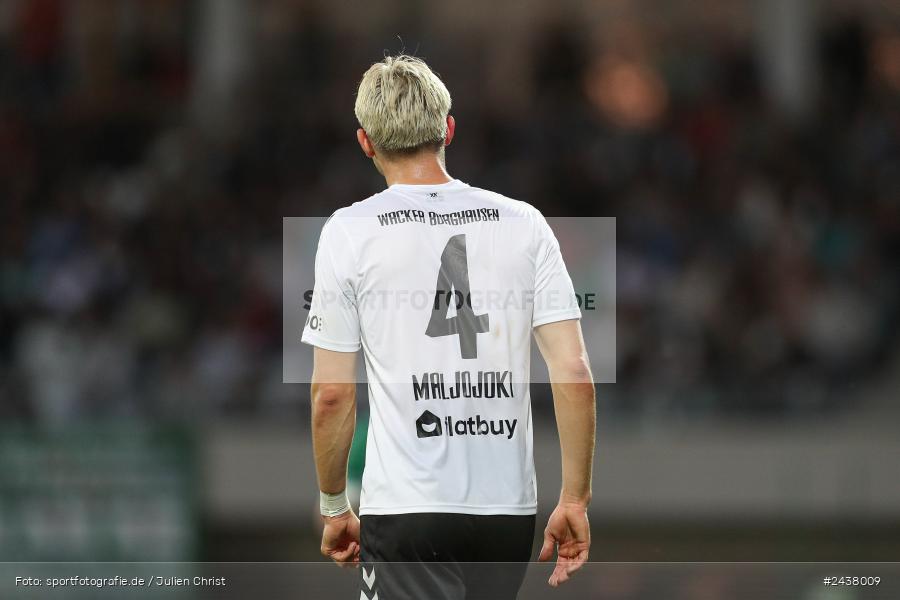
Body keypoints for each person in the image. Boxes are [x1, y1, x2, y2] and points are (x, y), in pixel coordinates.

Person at [302, 55, 596, 600]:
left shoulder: (350, 231)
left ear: (365, 142)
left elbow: (332, 395)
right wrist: (574, 499)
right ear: (448, 130)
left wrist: (335, 505)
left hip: (407, 507)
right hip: (507, 511)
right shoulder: (524, 223)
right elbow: (574, 371)